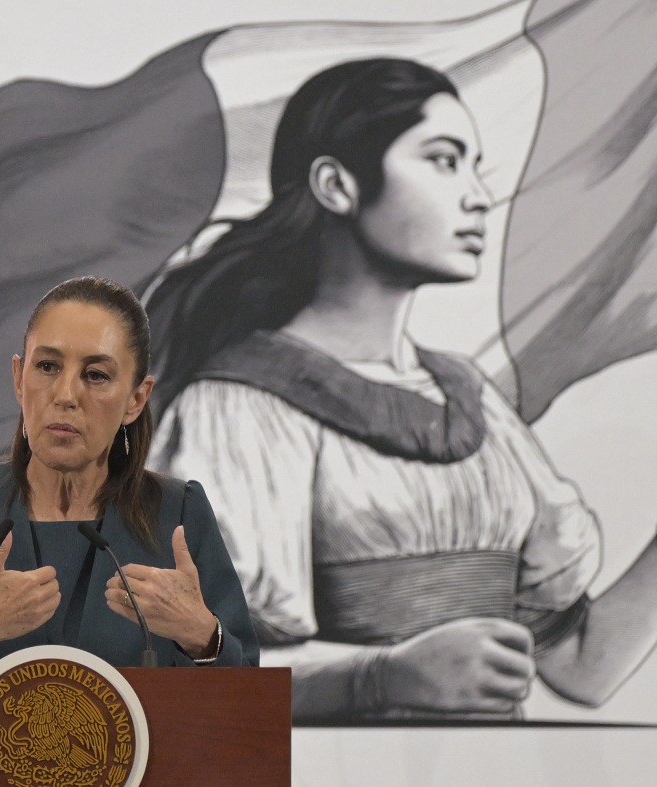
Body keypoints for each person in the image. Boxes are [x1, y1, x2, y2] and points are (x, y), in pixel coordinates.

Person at [146, 58, 657, 720]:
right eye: (444, 161)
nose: (477, 195)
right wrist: (380, 678)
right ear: (336, 184)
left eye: (476, 167)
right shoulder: (237, 410)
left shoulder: (472, 402)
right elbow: (192, 675)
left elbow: (581, 665)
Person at [0, 276, 261, 668]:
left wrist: (201, 635)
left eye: (96, 375)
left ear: (136, 400)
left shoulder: (177, 515)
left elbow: (249, 704)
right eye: (48, 366)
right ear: (19, 379)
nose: (66, 395)